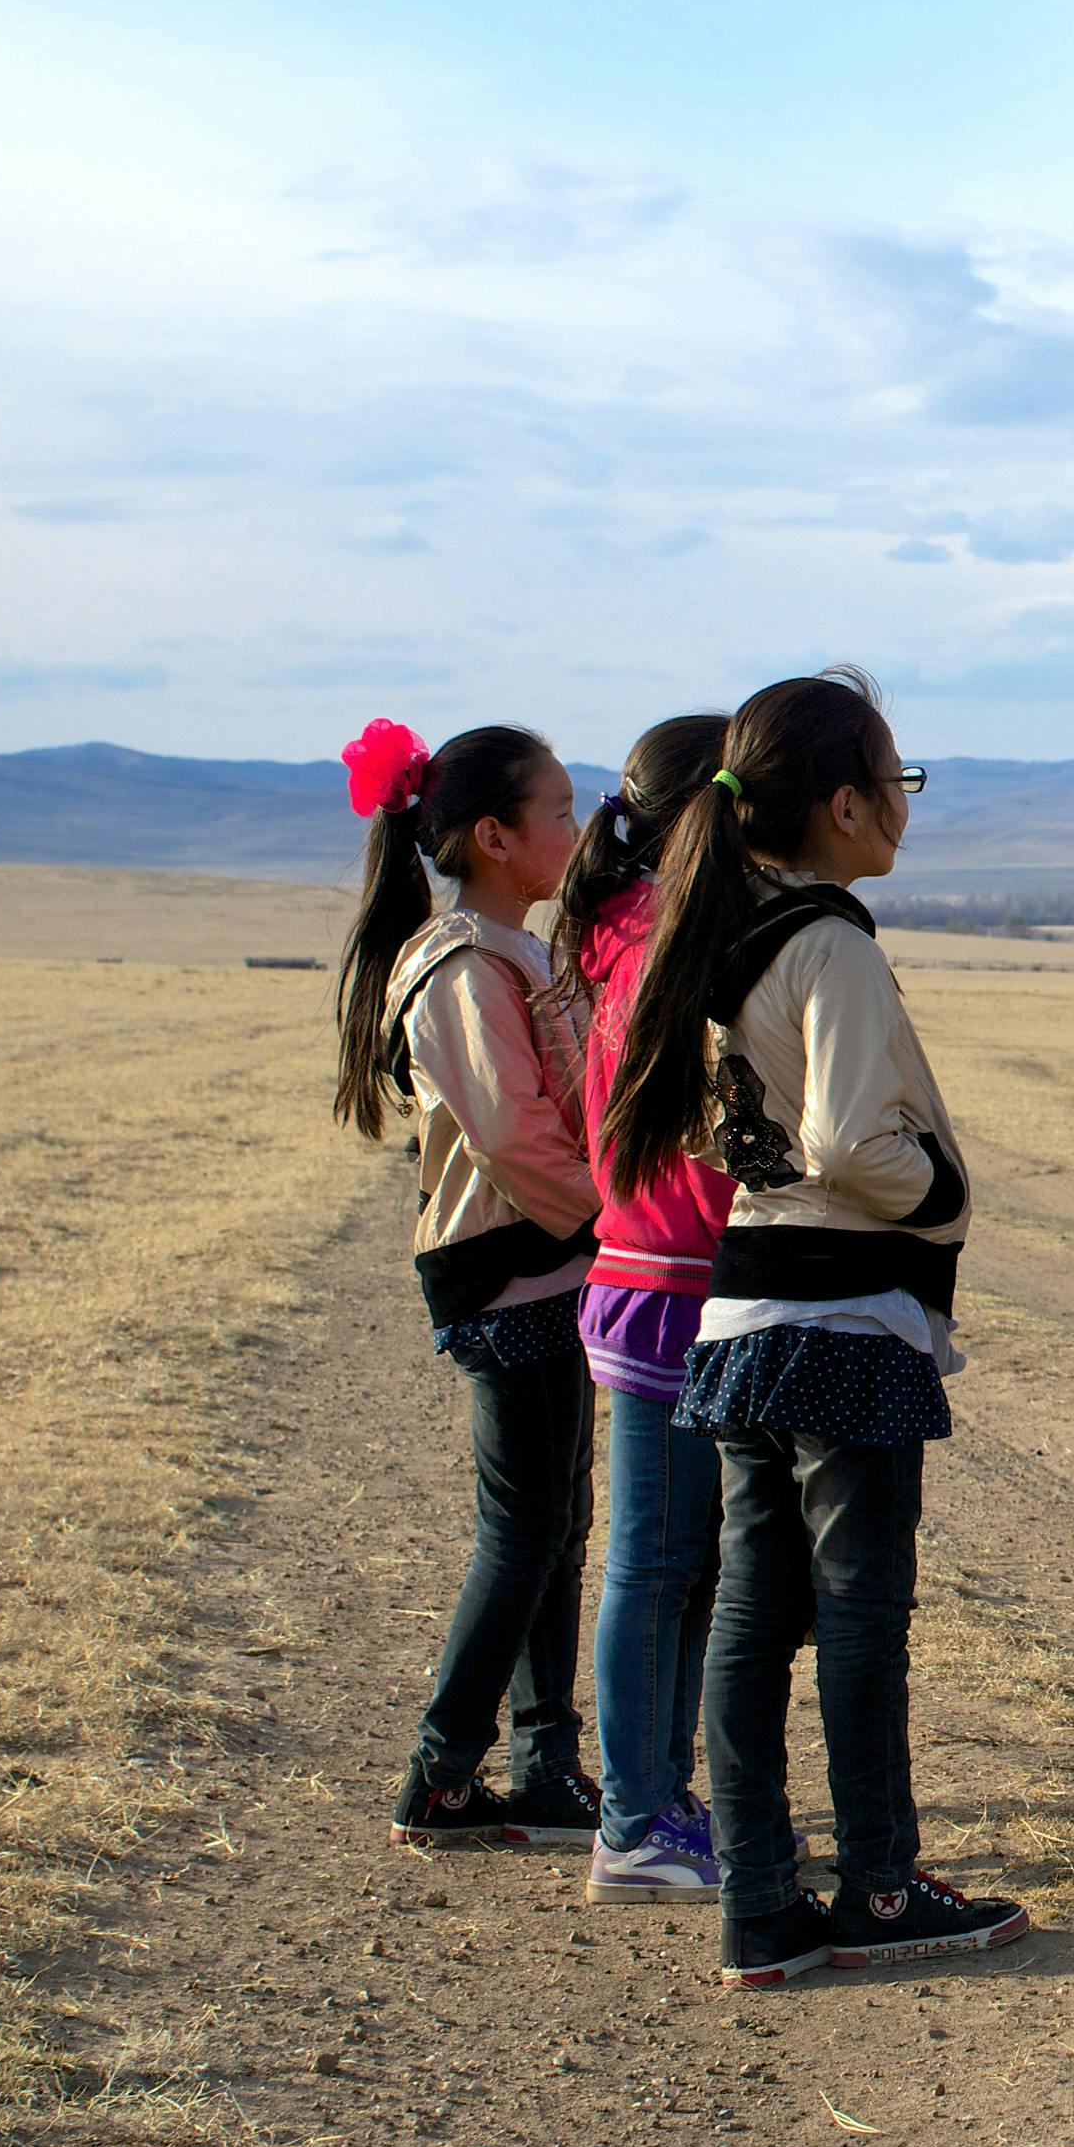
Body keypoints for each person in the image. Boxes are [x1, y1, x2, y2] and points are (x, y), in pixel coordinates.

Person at [599, 669, 1026, 1989]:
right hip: (843, 1322)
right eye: (897, 781)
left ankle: (765, 1905)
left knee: (750, 1616)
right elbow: (848, 1138)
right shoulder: (831, 942)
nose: (904, 808)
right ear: (844, 804)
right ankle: (883, 1889)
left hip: (743, 1314)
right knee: (858, 1619)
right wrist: (937, 1184)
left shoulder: (724, 939)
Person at [331, 717, 605, 1849]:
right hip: (514, 1272)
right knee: (525, 1527)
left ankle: (545, 1767)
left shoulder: (509, 951)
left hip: (544, 1268)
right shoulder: (460, 967)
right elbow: (515, 1135)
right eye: (558, 811)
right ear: (493, 837)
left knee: (555, 1523)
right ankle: (441, 1775)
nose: (575, 831)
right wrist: (609, 1216)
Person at [549, 715, 736, 1903]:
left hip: (652, 1277)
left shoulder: (619, 927)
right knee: (657, 1561)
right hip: (673, 1285)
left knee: (681, 1563)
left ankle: (659, 1796)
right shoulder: (678, 935)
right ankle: (634, 1819)